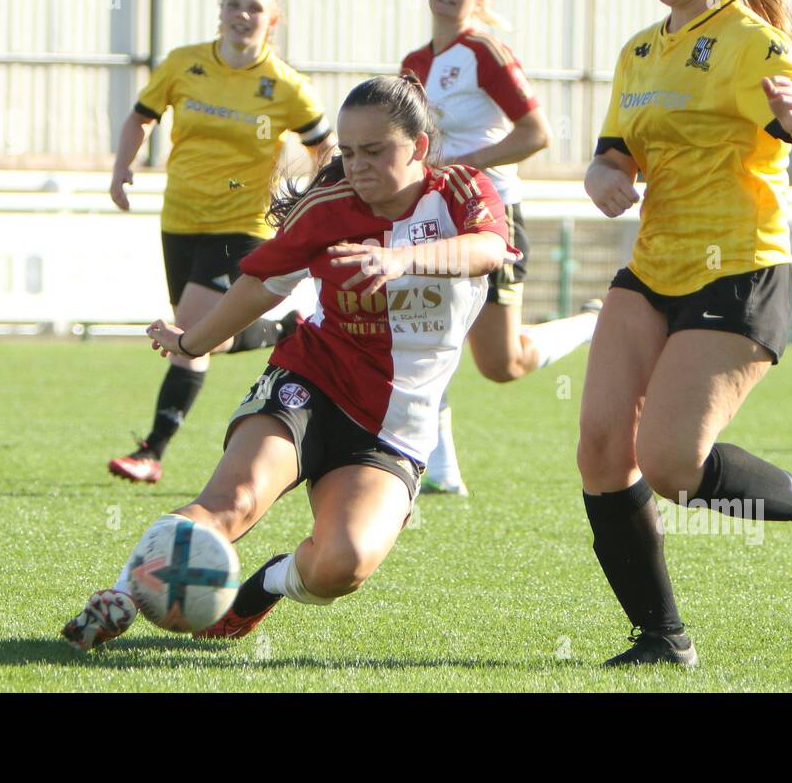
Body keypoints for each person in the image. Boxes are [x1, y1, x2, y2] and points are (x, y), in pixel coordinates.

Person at [63, 75, 515, 649]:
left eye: (375, 151)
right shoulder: (327, 210)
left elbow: (489, 251)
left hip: (396, 425)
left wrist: (403, 259)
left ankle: (265, 587)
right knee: (233, 502)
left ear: (420, 147)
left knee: (341, 565)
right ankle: (122, 595)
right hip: (310, 381)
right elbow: (259, 288)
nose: (357, 166)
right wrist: (191, 343)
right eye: (348, 153)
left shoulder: (460, 190)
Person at [578, 0, 792, 667]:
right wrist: (602, 176)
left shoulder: (752, 43)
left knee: (674, 465)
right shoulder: (639, 50)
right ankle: (661, 637)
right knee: (604, 450)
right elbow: (617, 151)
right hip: (652, 270)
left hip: (738, 273)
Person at [106, 0, 334, 484]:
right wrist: (123, 167)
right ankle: (284, 328)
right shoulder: (183, 63)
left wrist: (319, 199)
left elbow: (326, 148)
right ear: (220, 10)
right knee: (196, 338)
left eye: (254, 8)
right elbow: (141, 116)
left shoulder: (287, 86)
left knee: (189, 333)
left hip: (242, 222)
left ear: (272, 20)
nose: (242, 15)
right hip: (180, 218)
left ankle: (151, 451)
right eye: (233, 4)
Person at [401, 0, 599, 496]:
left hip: (491, 212)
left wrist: (461, 166)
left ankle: (590, 325)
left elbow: (536, 133)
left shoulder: (484, 51)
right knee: (422, 332)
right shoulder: (412, 63)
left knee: (501, 363)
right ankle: (437, 470)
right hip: (432, 213)